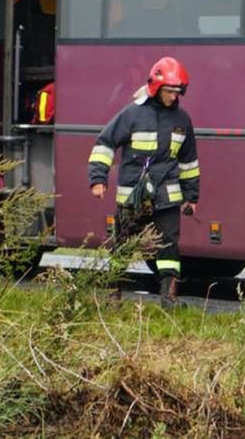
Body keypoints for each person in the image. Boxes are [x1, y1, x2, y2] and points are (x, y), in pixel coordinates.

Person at [88, 56, 200, 309]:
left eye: (177, 91)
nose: (174, 96)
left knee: (169, 246)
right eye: (170, 91)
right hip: (133, 195)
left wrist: (191, 197)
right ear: (156, 88)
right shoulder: (131, 115)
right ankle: (113, 296)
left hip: (167, 195)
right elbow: (104, 144)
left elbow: (189, 161)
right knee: (124, 244)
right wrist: (98, 179)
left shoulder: (182, 120)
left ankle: (169, 297)